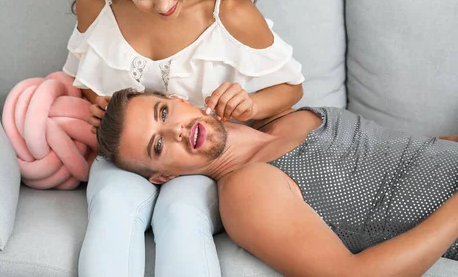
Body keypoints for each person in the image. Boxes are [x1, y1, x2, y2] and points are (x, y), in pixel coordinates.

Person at [64, 0, 304, 277]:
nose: (163, 4)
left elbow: (293, 88)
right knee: (112, 206)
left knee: (180, 214)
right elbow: (88, 77)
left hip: (203, 161)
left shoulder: (231, 12)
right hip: (130, 157)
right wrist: (99, 104)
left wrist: (252, 106)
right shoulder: (95, 0)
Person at [96, 88, 458, 277]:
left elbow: (401, 152)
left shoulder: (281, 118)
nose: (176, 130)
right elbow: (351, 275)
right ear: (165, 176)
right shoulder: (247, 190)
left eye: (164, 113)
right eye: (157, 145)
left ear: (177, 100)